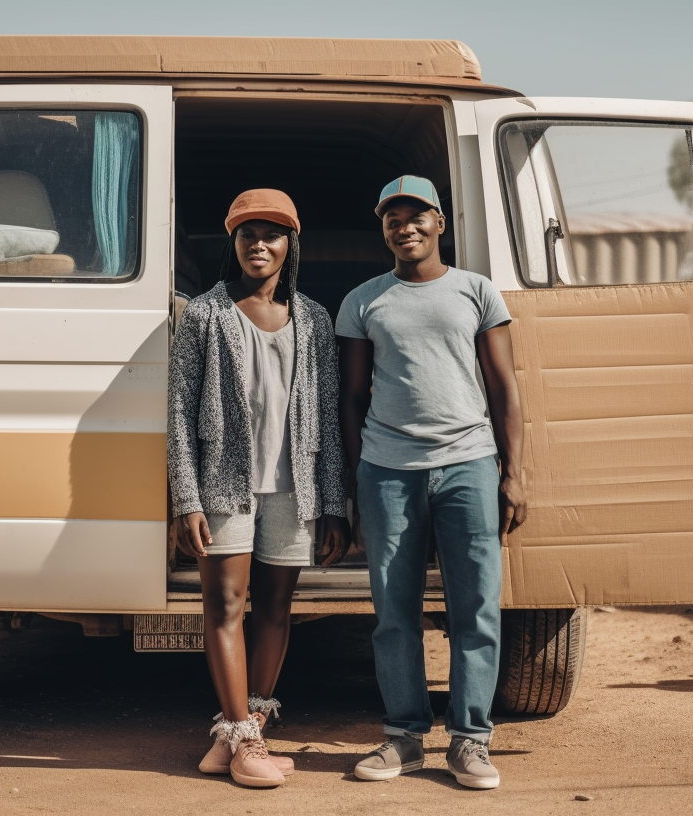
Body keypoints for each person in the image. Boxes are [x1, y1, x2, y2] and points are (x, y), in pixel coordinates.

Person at [336, 175, 526, 790]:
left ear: (440, 223)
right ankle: (404, 738)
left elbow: (503, 388)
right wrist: (352, 478)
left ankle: (470, 742)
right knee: (395, 612)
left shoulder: (475, 291)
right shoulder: (364, 301)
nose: (405, 226)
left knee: (476, 607)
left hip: (469, 463)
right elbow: (353, 397)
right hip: (388, 470)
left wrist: (514, 472)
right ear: (384, 227)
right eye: (393, 217)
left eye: (417, 215)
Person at [168, 189, 350, 789]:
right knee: (224, 606)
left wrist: (330, 503)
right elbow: (178, 410)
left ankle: (244, 734)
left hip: (292, 487)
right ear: (233, 242)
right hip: (225, 486)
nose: (260, 244)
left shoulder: (315, 318)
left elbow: (325, 416)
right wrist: (186, 498)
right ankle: (243, 741)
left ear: (290, 243)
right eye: (248, 234)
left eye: (272, 233)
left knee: (275, 608)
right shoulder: (205, 314)